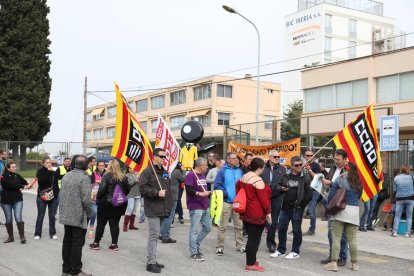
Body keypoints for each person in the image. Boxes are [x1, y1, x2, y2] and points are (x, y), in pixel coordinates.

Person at [270, 156, 312, 260]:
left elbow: (309, 193)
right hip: (284, 207)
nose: (299, 167)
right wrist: (281, 188)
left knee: (296, 230)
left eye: (300, 165)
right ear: (292, 166)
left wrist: (301, 205)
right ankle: (281, 250)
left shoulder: (305, 177)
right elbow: (277, 186)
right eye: (296, 165)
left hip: (297, 208)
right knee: (281, 229)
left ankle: (295, 251)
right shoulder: (286, 175)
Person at [323, 162, 362, 272]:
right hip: (354, 212)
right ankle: (354, 264)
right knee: (352, 240)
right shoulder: (359, 181)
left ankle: (334, 263)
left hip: (340, 211)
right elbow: (359, 196)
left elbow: (331, 195)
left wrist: (329, 207)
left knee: (336, 238)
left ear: (345, 169)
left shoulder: (340, 179)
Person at [139, 148, 173, 273]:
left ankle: (153, 259)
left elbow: (168, 188)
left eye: (165, 157)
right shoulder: (147, 172)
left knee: (157, 235)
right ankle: (150, 262)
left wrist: (169, 204)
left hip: (163, 208)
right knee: (153, 235)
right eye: (161, 156)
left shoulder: (164, 171)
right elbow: (142, 188)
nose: (164, 159)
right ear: (154, 157)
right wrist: (156, 193)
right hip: (153, 208)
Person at [59, 155, 93, 276]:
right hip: (78, 216)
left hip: (66, 215)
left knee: (67, 242)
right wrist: (90, 213)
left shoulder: (66, 175)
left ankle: (66, 269)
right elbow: (86, 200)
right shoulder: (84, 178)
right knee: (77, 244)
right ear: (85, 166)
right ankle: (76, 270)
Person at [237, 158, 271, 272]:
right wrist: (269, 213)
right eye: (263, 168)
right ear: (259, 168)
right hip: (256, 213)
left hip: (245, 211)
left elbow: (238, 189)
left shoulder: (243, 177)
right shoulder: (258, 180)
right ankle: (250, 264)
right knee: (254, 239)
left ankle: (252, 260)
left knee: (251, 237)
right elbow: (264, 200)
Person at [89, 159, 130, 251]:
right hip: (118, 204)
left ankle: (96, 243)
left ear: (109, 166)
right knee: (115, 224)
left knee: (101, 224)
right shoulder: (124, 177)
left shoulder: (106, 176)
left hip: (105, 204)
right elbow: (127, 191)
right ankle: (114, 244)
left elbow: (101, 190)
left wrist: (98, 199)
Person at [320, 149, 349, 266]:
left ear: (345, 159)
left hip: (342, 204)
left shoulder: (348, 170)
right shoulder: (332, 168)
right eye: (335, 159)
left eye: (338, 159)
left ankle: (342, 257)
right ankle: (333, 256)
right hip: (331, 202)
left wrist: (331, 183)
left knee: (342, 233)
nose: (336, 161)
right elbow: (329, 181)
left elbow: (346, 185)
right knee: (330, 231)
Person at [214, 152, 245, 256]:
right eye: (232, 158)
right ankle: (220, 247)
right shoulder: (222, 171)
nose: (235, 160)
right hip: (226, 202)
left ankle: (240, 245)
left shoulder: (239, 171)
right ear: (228, 160)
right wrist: (225, 193)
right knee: (223, 226)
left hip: (238, 203)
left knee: (239, 226)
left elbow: (243, 185)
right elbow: (217, 185)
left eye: (236, 158)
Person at [185, 158, 212, 261]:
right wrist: (199, 193)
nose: (207, 167)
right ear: (200, 165)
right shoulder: (191, 175)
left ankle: (196, 243)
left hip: (204, 205)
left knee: (208, 227)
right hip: (195, 205)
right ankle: (194, 253)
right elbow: (188, 188)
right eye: (205, 165)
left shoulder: (202, 175)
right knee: (194, 230)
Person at [261, 150, 286, 253]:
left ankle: (271, 243)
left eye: (278, 157)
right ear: (270, 157)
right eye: (275, 157)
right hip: (263, 197)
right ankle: (255, 241)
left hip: (276, 197)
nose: (277, 158)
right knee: (260, 220)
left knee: (273, 222)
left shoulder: (282, 169)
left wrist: (276, 188)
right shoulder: (263, 168)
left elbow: (284, 183)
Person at [1, 161, 30, 243]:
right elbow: (9, 185)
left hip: (17, 200)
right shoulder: (4, 176)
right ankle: (11, 237)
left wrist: (28, 185)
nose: (15, 168)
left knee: (18, 217)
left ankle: (22, 236)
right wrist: (22, 186)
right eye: (13, 167)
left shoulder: (17, 176)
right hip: (6, 201)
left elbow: (25, 182)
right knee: (8, 219)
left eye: (15, 167)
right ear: (8, 168)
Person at [35, 156, 60, 240]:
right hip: (42, 196)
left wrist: (51, 172)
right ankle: (37, 233)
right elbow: (42, 182)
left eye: (50, 163)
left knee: (52, 216)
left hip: (53, 196)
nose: (49, 164)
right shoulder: (40, 171)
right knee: (40, 215)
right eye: (47, 163)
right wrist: (49, 172)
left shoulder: (53, 172)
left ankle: (52, 233)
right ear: (43, 163)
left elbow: (56, 182)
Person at [160, 163, 185, 242]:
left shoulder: (166, 170)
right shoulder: (177, 171)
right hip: (173, 196)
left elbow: (164, 181)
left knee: (165, 216)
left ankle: (162, 234)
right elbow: (184, 179)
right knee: (169, 217)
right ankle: (166, 236)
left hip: (166, 195)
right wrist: (183, 170)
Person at [303, 149, 322, 236]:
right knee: (299, 210)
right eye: (307, 155)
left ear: (313, 156)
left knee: (311, 211)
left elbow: (318, 178)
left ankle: (312, 229)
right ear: (304, 156)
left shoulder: (316, 165)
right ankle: (297, 228)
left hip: (314, 191)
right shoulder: (302, 165)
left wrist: (309, 170)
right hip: (304, 191)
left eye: (311, 155)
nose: (309, 157)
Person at [391, 164, 414, 237]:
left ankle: (394, 232)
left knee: (397, 216)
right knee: (409, 216)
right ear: (408, 170)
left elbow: (395, 190)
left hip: (400, 199)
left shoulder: (396, 178)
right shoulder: (411, 177)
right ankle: (407, 233)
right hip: (410, 198)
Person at [88, 161, 106, 239]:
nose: (102, 167)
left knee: (101, 216)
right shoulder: (93, 174)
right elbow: (90, 185)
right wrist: (96, 183)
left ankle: (100, 231)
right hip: (94, 198)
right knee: (94, 213)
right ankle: (91, 230)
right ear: (97, 166)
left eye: (103, 165)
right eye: (100, 165)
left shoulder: (106, 174)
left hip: (103, 198)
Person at [124, 166, 141, 232]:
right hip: (130, 195)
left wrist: (139, 179)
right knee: (130, 209)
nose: (132, 169)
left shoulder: (136, 174)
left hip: (137, 194)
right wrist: (135, 180)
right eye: (131, 168)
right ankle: (125, 225)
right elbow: (128, 184)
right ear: (128, 169)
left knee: (134, 210)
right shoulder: (127, 175)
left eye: (133, 168)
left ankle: (131, 225)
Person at [0, 150, 8, 226]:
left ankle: (8, 220)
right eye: (5, 154)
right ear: (1, 154)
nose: (6, 155)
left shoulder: (3, 162)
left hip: (3, 185)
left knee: (4, 202)